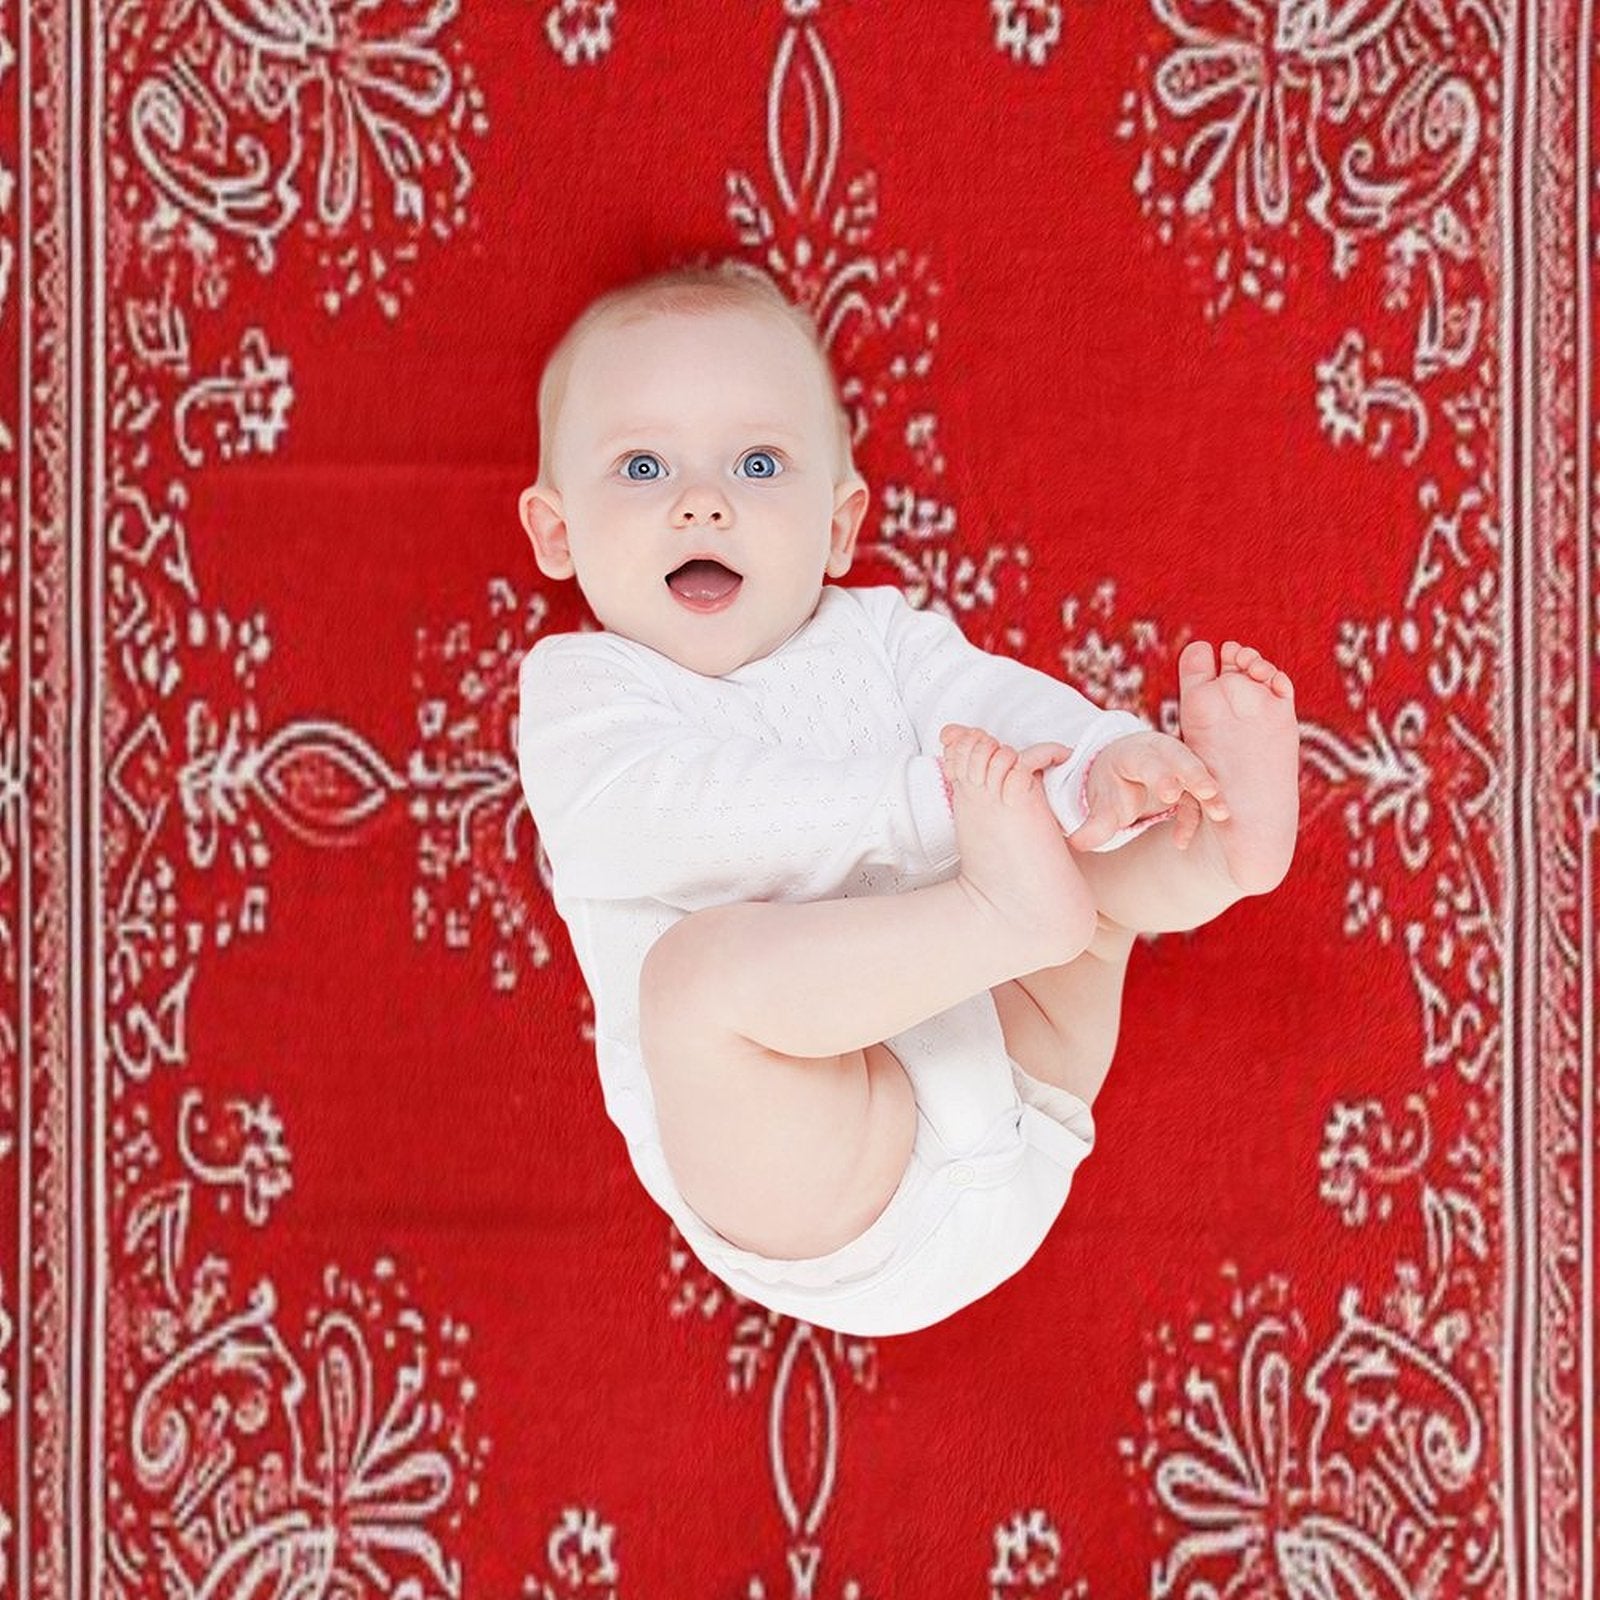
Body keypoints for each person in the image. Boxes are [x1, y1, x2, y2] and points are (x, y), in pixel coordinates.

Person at [515, 260, 1300, 1336]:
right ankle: (1010, 910)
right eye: (642, 465)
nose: (703, 500)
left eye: (757, 462)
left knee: (1080, 856)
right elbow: (663, 819)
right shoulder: (586, 693)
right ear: (557, 535)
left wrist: (1095, 759)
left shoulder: (880, 635)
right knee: (693, 983)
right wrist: (930, 808)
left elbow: (991, 702)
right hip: (833, 1179)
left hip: (1024, 1075)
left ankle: (1209, 851)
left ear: (838, 527)